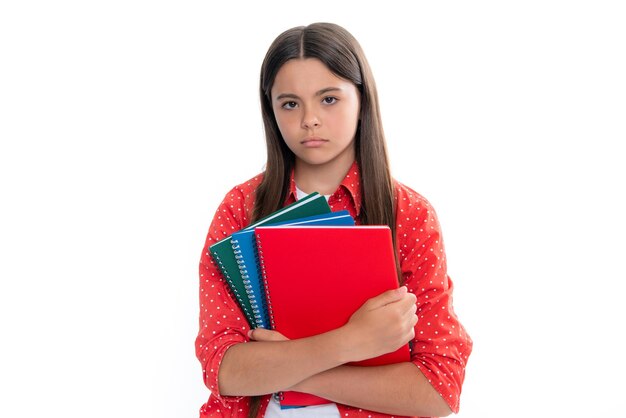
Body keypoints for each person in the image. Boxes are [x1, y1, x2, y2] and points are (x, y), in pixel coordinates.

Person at [196, 22, 472, 418]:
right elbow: (222, 369)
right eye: (290, 103)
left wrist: (287, 369)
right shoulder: (241, 207)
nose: (309, 119)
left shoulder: (409, 215)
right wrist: (352, 341)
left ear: (361, 100)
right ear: (271, 111)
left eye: (328, 99)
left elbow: (438, 390)